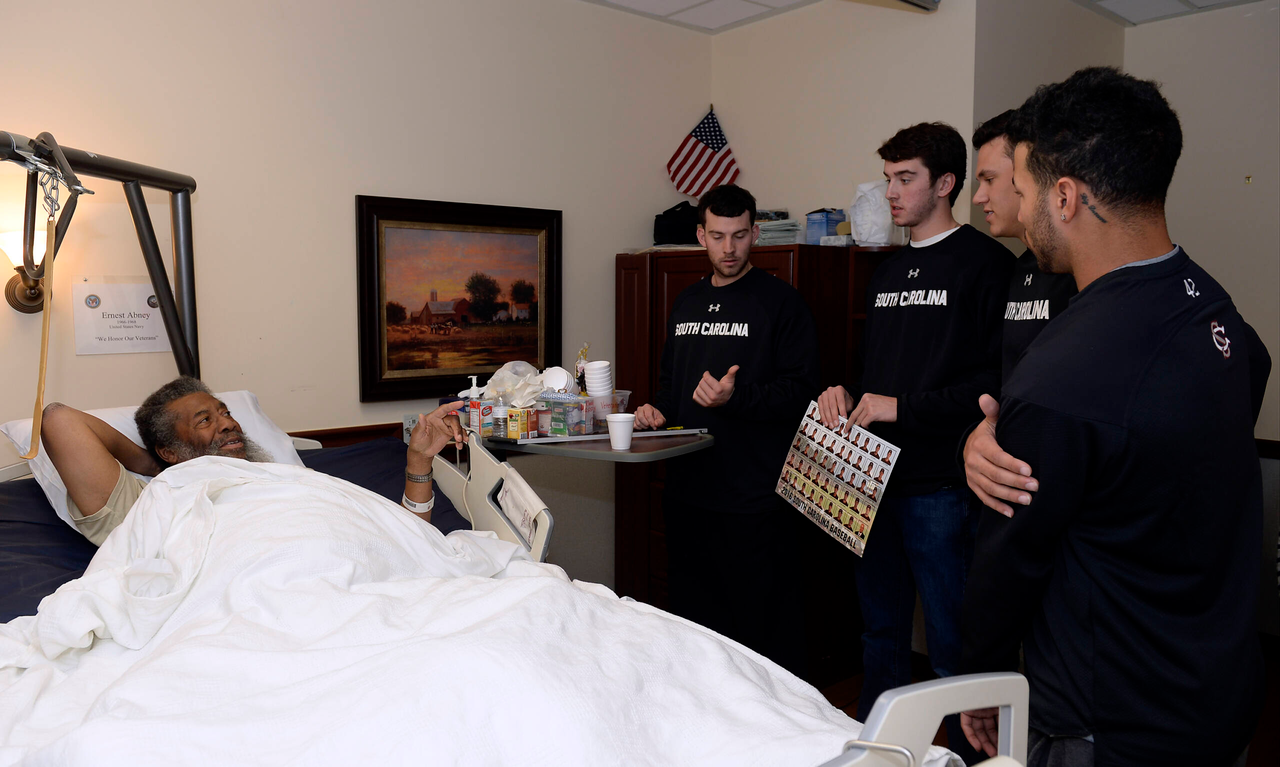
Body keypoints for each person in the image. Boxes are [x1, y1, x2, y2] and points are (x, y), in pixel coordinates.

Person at [958, 68, 1270, 767]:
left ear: (1066, 197)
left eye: (1025, 190)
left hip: (1116, 726)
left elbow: (1007, 566)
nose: (1021, 210)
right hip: (1220, 696)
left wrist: (980, 684)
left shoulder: (1062, 374)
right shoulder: (1208, 303)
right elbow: (1250, 365)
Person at [816, 121, 1011, 754]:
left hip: (942, 488)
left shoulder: (987, 265)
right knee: (880, 636)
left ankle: (964, 756)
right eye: (888, 179)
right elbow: (875, 375)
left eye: (906, 179)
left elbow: (994, 386)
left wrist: (900, 407)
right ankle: (881, 755)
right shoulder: (886, 273)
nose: (891, 194)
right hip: (872, 481)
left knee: (953, 644)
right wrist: (843, 392)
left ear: (945, 183)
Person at [633, 183, 820, 675]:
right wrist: (655, 411)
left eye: (739, 235)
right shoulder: (686, 302)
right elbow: (671, 387)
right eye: (718, 236)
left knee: (758, 634)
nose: (729, 248)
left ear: (755, 233)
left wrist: (737, 398)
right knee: (695, 627)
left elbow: (801, 393)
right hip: (687, 493)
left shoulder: (781, 303)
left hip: (752, 499)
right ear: (701, 236)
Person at [40, 376, 465, 545]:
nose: (228, 423)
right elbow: (59, 420)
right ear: (170, 451)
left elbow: (409, 540)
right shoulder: (150, 504)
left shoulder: (289, 481)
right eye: (205, 420)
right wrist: (156, 468)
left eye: (225, 412)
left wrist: (418, 461)